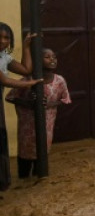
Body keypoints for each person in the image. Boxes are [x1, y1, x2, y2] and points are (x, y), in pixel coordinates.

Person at [6, 48, 70, 179]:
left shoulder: (59, 81)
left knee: (42, 154)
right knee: (25, 155)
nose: (52, 59)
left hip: (47, 125)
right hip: (27, 127)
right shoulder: (28, 79)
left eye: (54, 57)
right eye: (47, 57)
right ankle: (23, 178)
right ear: (37, 61)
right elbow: (10, 97)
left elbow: (65, 99)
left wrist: (50, 104)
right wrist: (28, 103)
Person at [0, 23, 41, 190]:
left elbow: (26, 69)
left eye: (6, 38)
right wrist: (29, 84)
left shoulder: (4, 56)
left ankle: (3, 183)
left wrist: (26, 47)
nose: (2, 41)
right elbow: (3, 80)